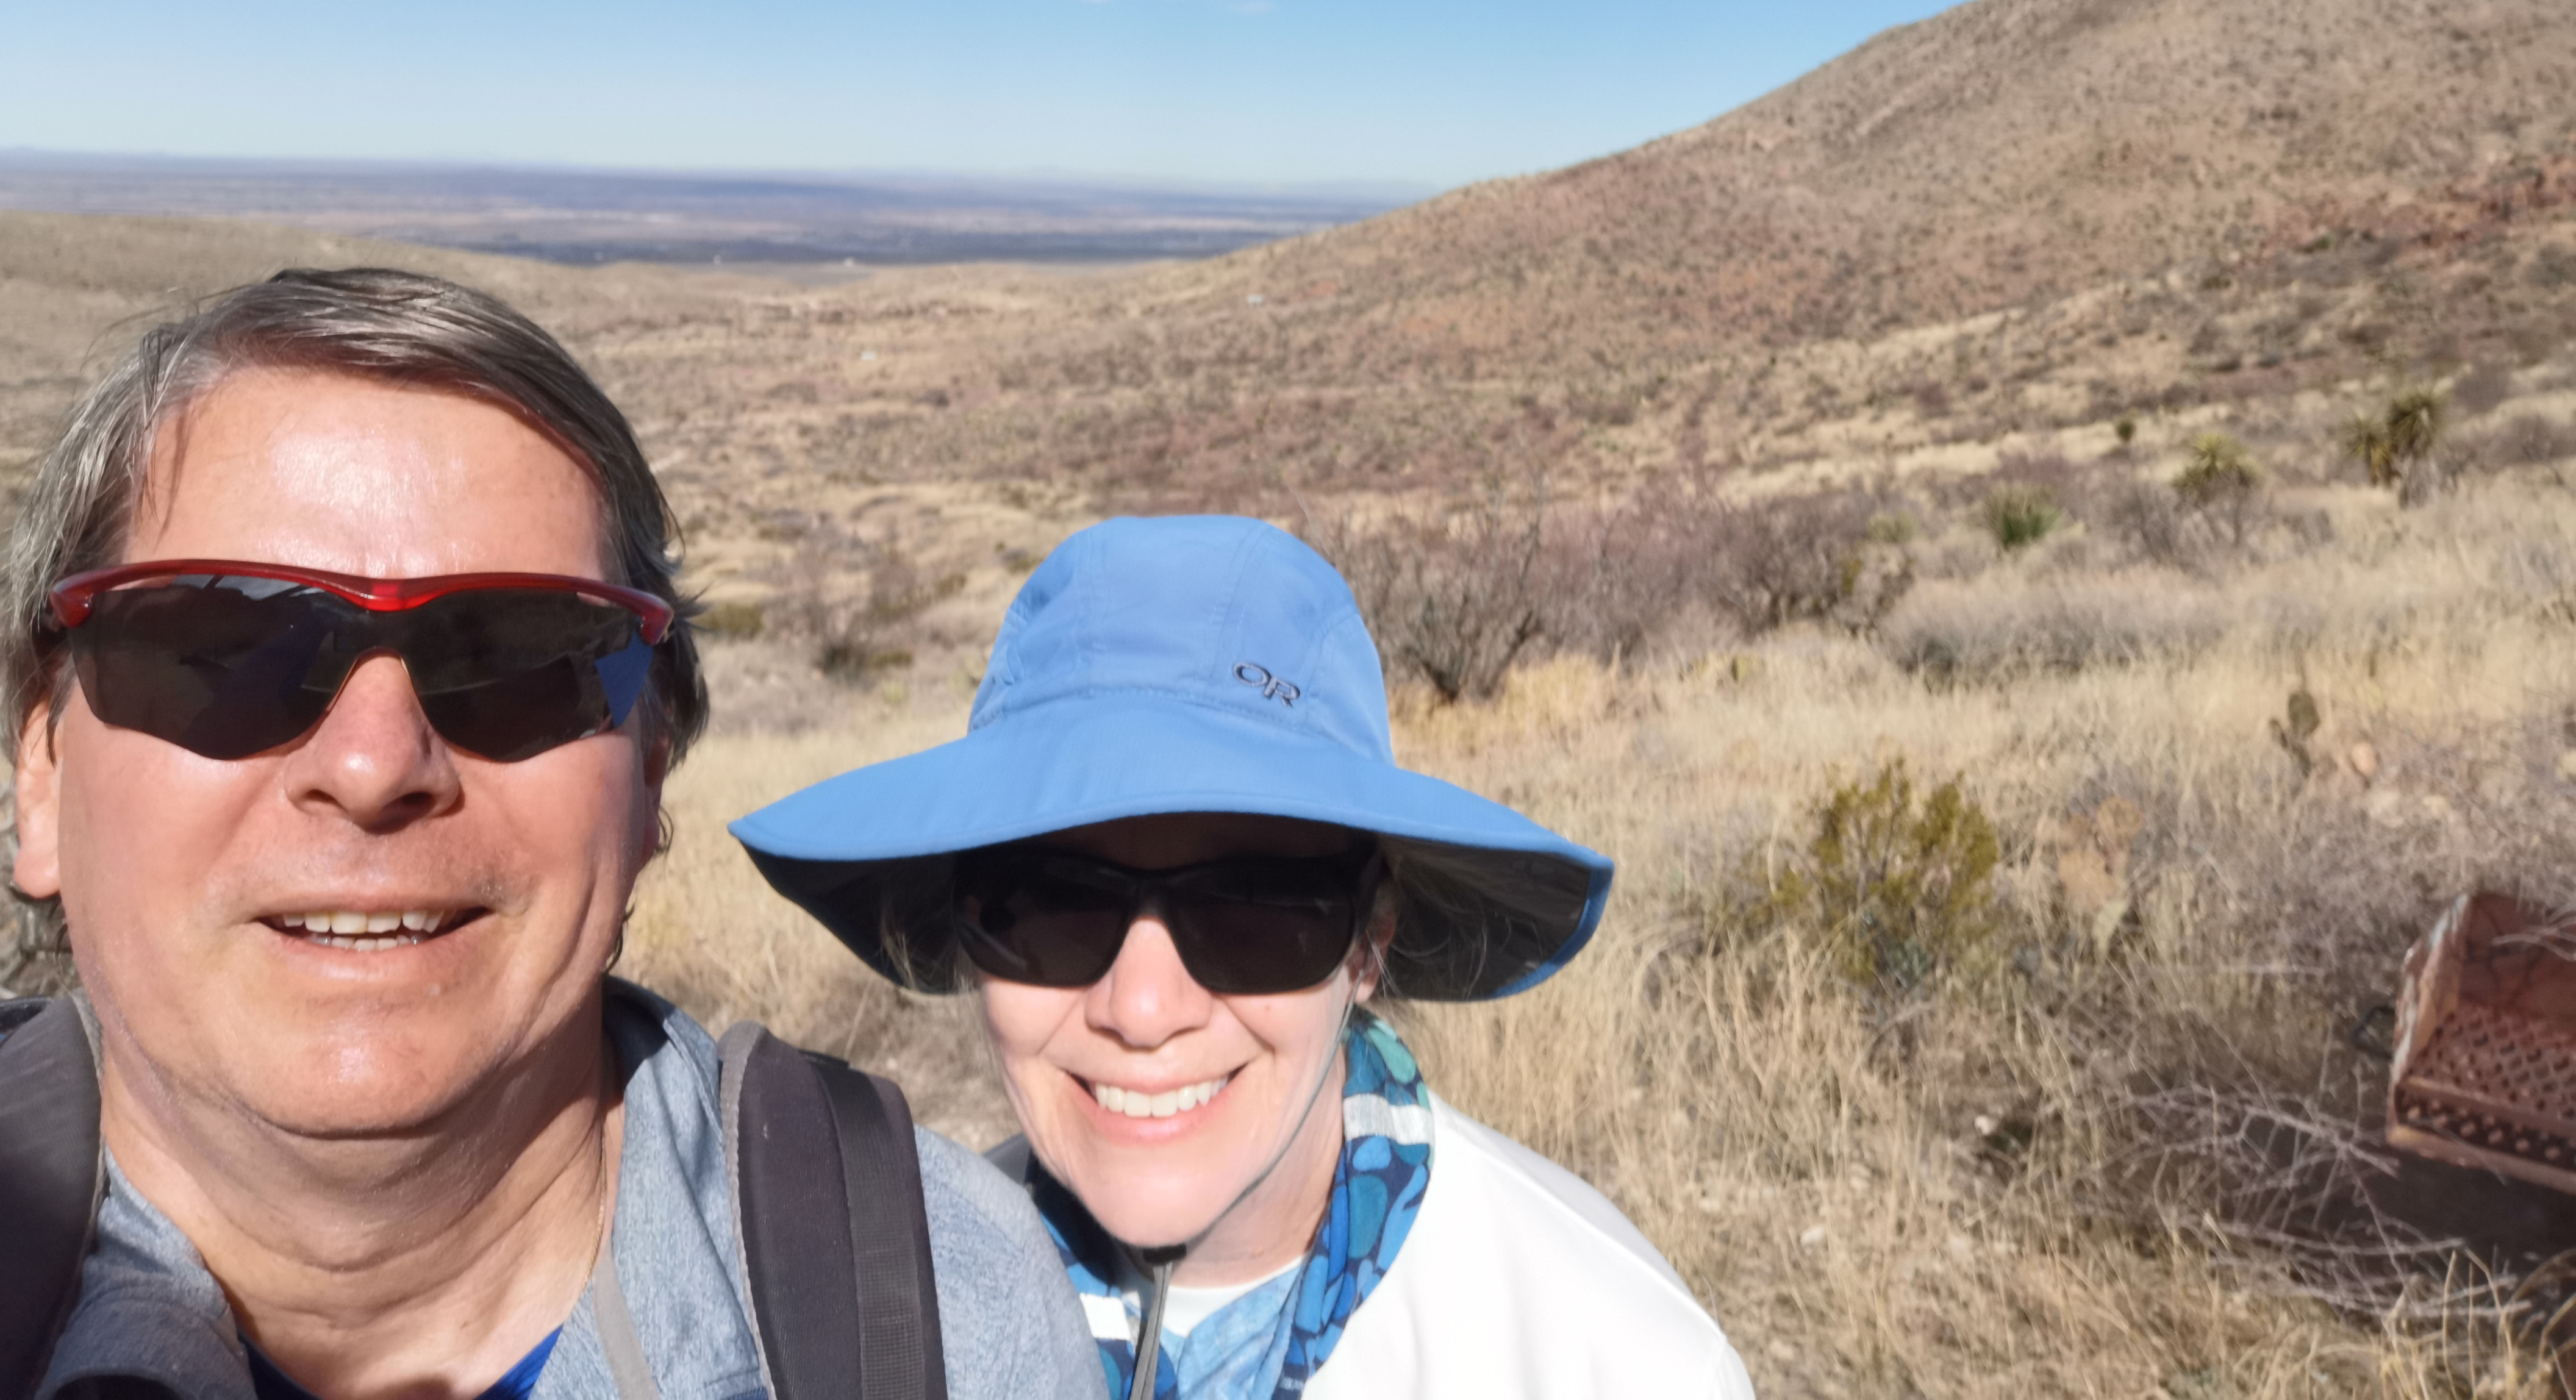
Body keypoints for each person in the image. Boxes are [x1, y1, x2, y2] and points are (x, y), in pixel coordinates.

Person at [1, 267, 1100, 1400]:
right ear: (42, 772)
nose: (374, 766)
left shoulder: (949, 1313)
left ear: (651, 775)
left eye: (518, 660)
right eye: (225, 651)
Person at [732, 515, 1756, 1399]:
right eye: (1047, 906)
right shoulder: (878, 1324)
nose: (1142, 1009)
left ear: (1368, 944)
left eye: (1254, 910)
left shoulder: (1609, 1359)